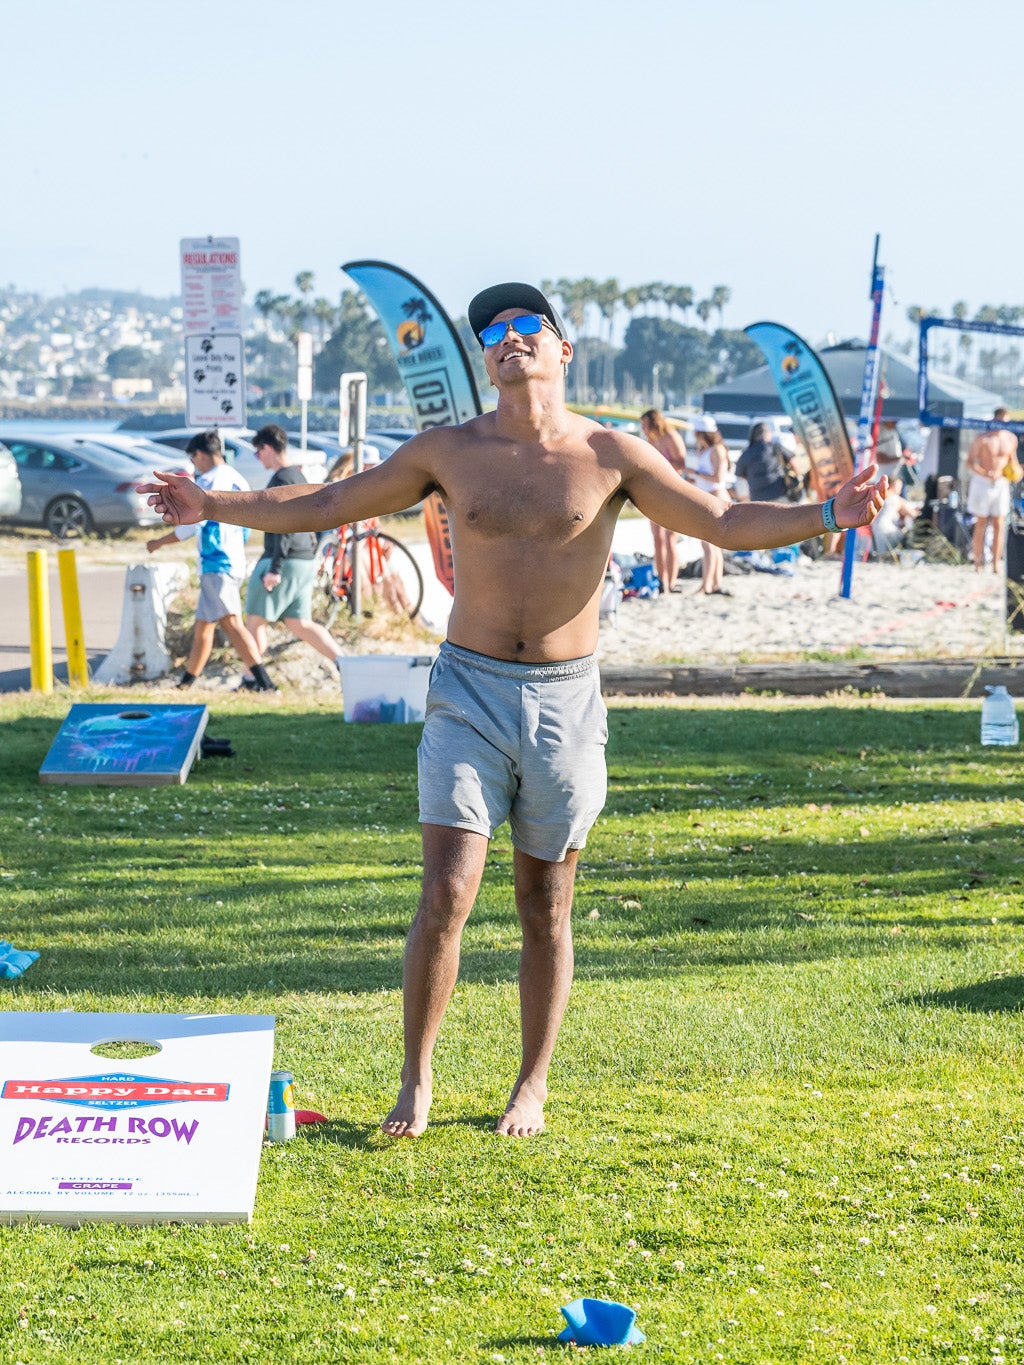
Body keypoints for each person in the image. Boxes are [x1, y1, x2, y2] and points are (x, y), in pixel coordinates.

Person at [146, 281, 884, 1140]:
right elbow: (323, 504)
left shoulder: (612, 454)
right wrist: (216, 505)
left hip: (567, 701)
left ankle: (530, 1084)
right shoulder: (447, 451)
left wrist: (828, 513)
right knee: (447, 889)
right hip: (468, 690)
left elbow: (722, 518)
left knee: (545, 901)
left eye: (527, 323)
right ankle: (415, 1081)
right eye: (491, 330)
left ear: (563, 348)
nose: (508, 336)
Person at [144, 431, 275, 692]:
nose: (194, 464)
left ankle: (265, 683)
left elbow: (190, 526)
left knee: (231, 623)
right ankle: (185, 684)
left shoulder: (207, 482)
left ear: (201, 454)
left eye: (193, 458)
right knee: (203, 627)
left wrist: (158, 542)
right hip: (232, 558)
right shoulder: (237, 479)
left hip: (218, 561)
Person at [242, 424, 345, 680]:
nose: (259, 458)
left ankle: (253, 679)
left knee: (254, 621)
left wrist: (275, 568)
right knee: (300, 624)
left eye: (258, 453)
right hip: (304, 560)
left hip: (283, 561)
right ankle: (347, 666)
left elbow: (285, 526)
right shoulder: (298, 476)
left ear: (267, 448)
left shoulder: (281, 479)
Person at [637, 410, 687, 592]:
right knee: (657, 538)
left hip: (673, 490)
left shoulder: (670, 437)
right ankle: (661, 580)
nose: (642, 428)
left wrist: (659, 466)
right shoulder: (650, 439)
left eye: (644, 424)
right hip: (654, 491)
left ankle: (672, 581)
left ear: (653, 422)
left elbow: (681, 464)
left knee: (670, 538)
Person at [684, 416, 733, 596]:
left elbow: (718, 479)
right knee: (713, 545)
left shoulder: (717, 450)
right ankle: (714, 584)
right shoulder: (707, 450)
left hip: (714, 497)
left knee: (709, 545)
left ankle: (707, 585)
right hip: (707, 496)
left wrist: (695, 473)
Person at [964, 410, 1016, 572]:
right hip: (983, 481)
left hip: (1001, 482)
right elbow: (970, 462)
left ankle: (995, 563)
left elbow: (1012, 461)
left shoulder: (1010, 438)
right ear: (994, 419)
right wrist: (985, 472)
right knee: (981, 523)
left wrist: (1015, 472)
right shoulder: (983, 438)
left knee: (999, 523)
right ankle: (978, 562)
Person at [734, 422, 787, 505]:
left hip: (757, 498)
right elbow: (794, 463)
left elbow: (740, 474)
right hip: (779, 493)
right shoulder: (775, 447)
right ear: (767, 433)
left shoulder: (747, 453)